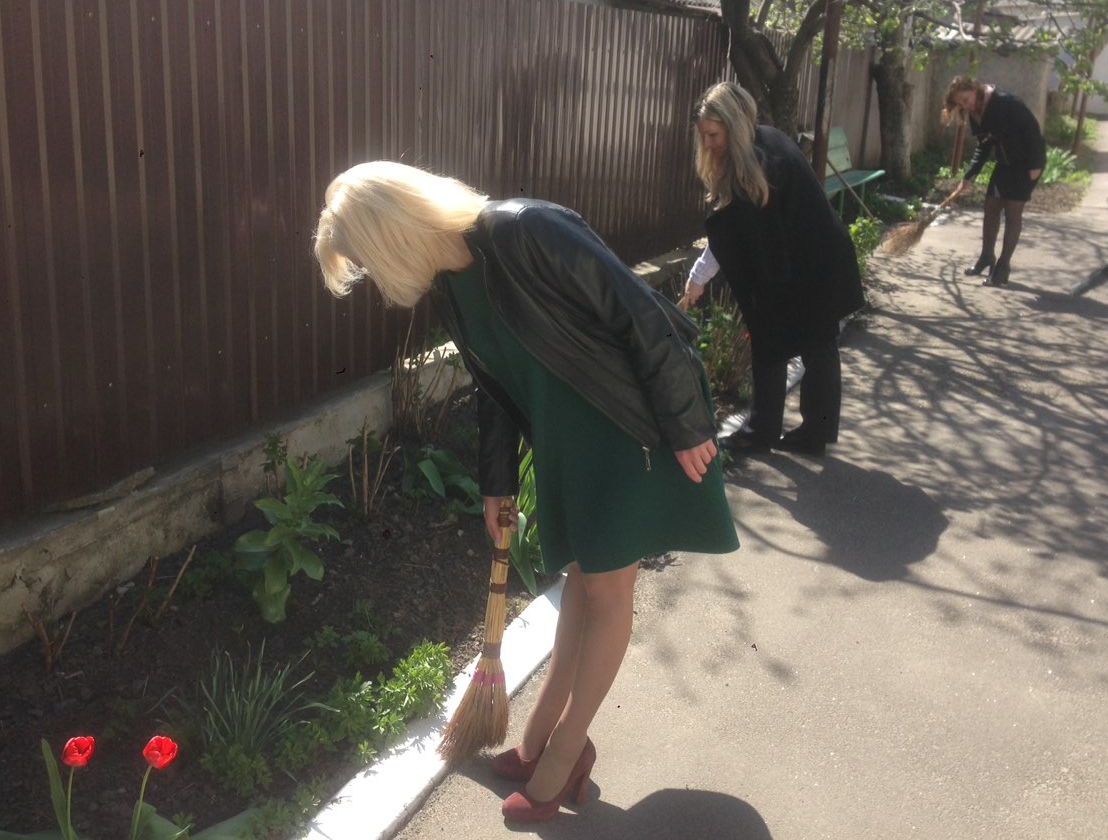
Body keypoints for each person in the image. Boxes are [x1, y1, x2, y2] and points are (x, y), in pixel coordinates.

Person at [313, 162, 738, 824]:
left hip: (626, 426)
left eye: (366, 260)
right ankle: (541, 740)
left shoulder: (525, 230)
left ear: (392, 236)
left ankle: (563, 755)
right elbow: (497, 388)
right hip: (570, 442)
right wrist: (498, 483)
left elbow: (638, 314)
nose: (376, 278)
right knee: (582, 582)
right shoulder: (452, 286)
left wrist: (685, 421)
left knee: (607, 591)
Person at [680, 81, 865, 457]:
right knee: (814, 344)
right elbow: (735, 231)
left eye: (713, 135)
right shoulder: (766, 140)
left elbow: (733, 236)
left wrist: (699, 278)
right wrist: (700, 277)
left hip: (811, 264)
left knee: (781, 338)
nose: (709, 144)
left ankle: (763, 432)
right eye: (704, 136)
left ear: (733, 125)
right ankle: (811, 433)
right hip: (815, 257)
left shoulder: (757, 166)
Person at [942, 76, 1047, 286]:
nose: (965, 105)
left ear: (974, 89)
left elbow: (1033, 130)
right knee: (990, 207)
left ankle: (1002, 268)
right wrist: (970, 175)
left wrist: (1036, 165)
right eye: (960, 103)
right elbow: (984, 146)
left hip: (1027, 164)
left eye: (966, 99)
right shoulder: (975, 113)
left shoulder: (1005, 102)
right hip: (1005, 164)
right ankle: (986, 257)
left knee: (1012, 214)